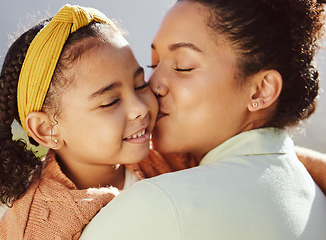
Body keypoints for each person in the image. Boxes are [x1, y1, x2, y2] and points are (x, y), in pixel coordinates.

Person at [80, 0, 326, 239]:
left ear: (261, 91)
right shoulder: (315, 199)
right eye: (153, 64)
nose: (152, 85)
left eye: (183, 67)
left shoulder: (161, 203)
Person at [0, 4, 161, 239]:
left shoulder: (165, 152)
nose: (140, 108)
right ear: (46, 128)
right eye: (111, 101)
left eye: (140, 85)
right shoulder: (39, 226)